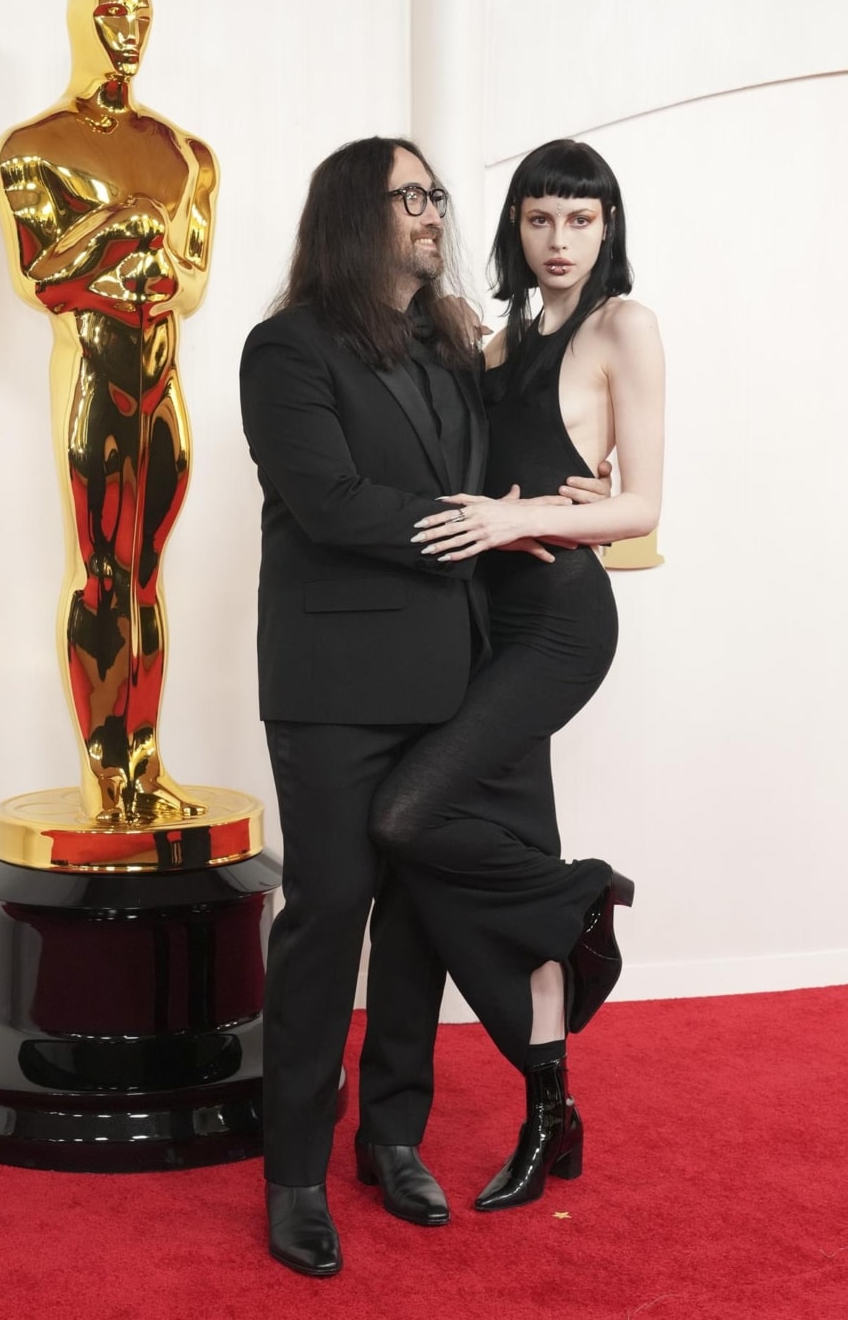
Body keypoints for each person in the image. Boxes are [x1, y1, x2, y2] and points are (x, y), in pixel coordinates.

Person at [240, 136, 612, 1277]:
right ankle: (294, 1170)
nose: (434, 211)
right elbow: (329, 498)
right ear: (358, 213)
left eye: (436, 194)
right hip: (334, 688)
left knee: (416, 925)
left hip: (452, 670)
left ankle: (389, 1138)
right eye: (411, 196)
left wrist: (567, 496)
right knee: (330, 915)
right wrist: (472, 521)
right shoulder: (284, 347)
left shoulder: (454, 347)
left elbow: (517, 468)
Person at [369, 138, 664, 1211]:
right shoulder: (493, 345)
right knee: (503, 845)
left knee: (404, 816)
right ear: (514, 227)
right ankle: (550, 1116)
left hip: (558, 626)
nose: (558, 240)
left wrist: (517, 516)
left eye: (579, 220)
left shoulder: (621, 328)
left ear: (607, 227)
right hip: (480, 628)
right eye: (540, 219)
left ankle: (584, 899)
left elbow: (639, 506)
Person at [0, 0, 218, 824]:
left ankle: (145, 760)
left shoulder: (185, 152)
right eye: (113, 11)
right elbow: (39, 277)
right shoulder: (33, 148)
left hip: (162, 378)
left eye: (142, 11)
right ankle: (103, 770)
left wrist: (157, 261)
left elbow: (191, 284)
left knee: (148, 574)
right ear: (81, 20)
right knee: (97, 573)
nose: (130, 26)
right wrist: (116, 226)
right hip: (91, 369)